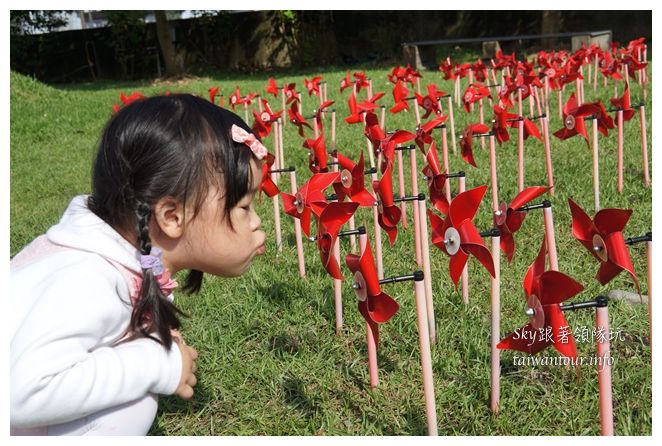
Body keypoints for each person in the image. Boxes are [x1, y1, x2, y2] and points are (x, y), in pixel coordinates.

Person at [10, 94, 268, 435]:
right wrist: (155, 363)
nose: (255, 222)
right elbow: (20, 394)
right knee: (134, 403)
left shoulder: (131, 255)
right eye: (245, 206)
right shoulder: (87, 280)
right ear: (172, 216)